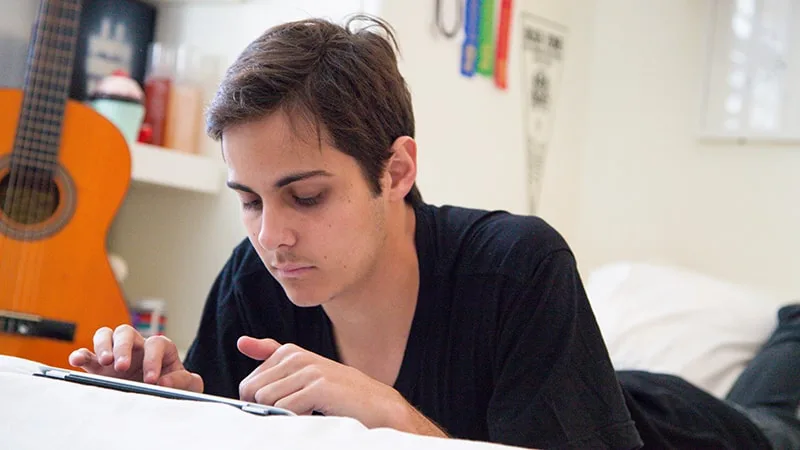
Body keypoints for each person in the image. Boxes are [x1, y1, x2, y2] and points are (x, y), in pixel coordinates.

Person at [69, 15, 800, 450]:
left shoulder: (518, 267)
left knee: (775, 419)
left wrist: (393, 419)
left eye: (308, 196)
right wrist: (175, 397)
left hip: (682, 429)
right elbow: (231, 424)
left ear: (397, 168)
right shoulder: (255, 276)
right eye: (251, 201)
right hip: (586, 386)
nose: (273, 236)